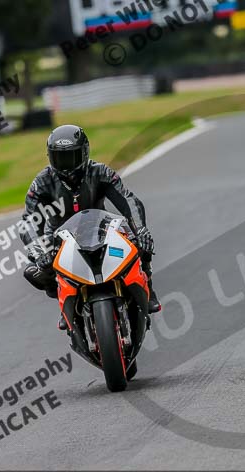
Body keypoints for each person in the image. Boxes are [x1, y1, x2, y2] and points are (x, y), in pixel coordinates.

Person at [20, 125, 161, 329]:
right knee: (34, 271)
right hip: (60, 237)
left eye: (71, 157)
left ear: (84, 153)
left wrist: (140, 229)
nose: (66, 165)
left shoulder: (100, 171)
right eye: (60, 158)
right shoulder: (42, 182)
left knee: (141, 243)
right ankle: (65, 303)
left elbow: (128, 200)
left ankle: (147, 287)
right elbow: (28, 221)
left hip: (101, 227)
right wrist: (39, 249)